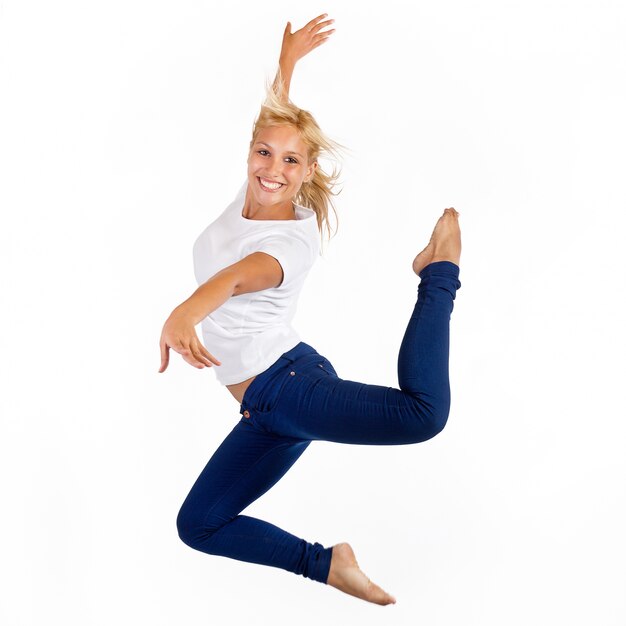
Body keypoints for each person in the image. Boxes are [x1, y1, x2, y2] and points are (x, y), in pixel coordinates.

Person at [158, 14, 462, 607]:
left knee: (423, 416)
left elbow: (233, 278)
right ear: (249, 152)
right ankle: (327, 565)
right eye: (264, 154)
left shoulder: (287, 245)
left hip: (287, 387)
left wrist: (183, 314)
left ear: (309, 171)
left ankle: (439, 274)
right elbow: (276, 119)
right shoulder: (250, 197)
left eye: (291, 163)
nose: (274, 169)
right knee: (199, 525)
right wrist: (287, 63)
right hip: (268, 408)